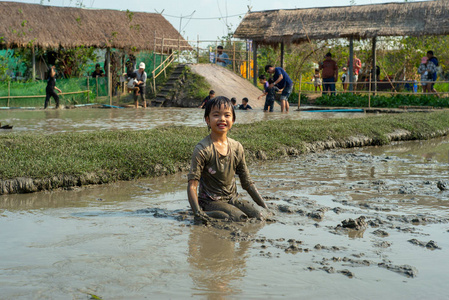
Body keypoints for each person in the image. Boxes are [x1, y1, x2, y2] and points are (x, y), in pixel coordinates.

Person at [187, 96, 268, 222]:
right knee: (238, 218)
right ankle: (206, 213)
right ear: (207, 119)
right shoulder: (203, 149)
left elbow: (247, 182)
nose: (222, 119)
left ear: (233, 119)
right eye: (216, 115)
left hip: (232, 198)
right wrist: (197, 212)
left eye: (227, 115)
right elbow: (192, 185)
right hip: (209, 201)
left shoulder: (237, 147)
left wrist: (264, 207)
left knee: (259, 215)